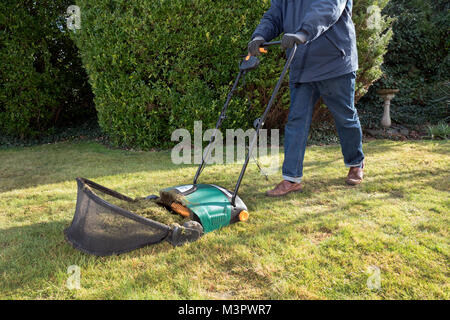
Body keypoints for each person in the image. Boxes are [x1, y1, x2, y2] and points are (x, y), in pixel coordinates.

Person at [248, 0, 365, 197]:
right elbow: (275, 14)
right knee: (296, 121)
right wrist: (260, 35)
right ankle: (291, 179)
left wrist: (304, 32)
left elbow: (328, 8)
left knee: (345, 116)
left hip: (334, 62)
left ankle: (355, 163)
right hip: (301, 63)